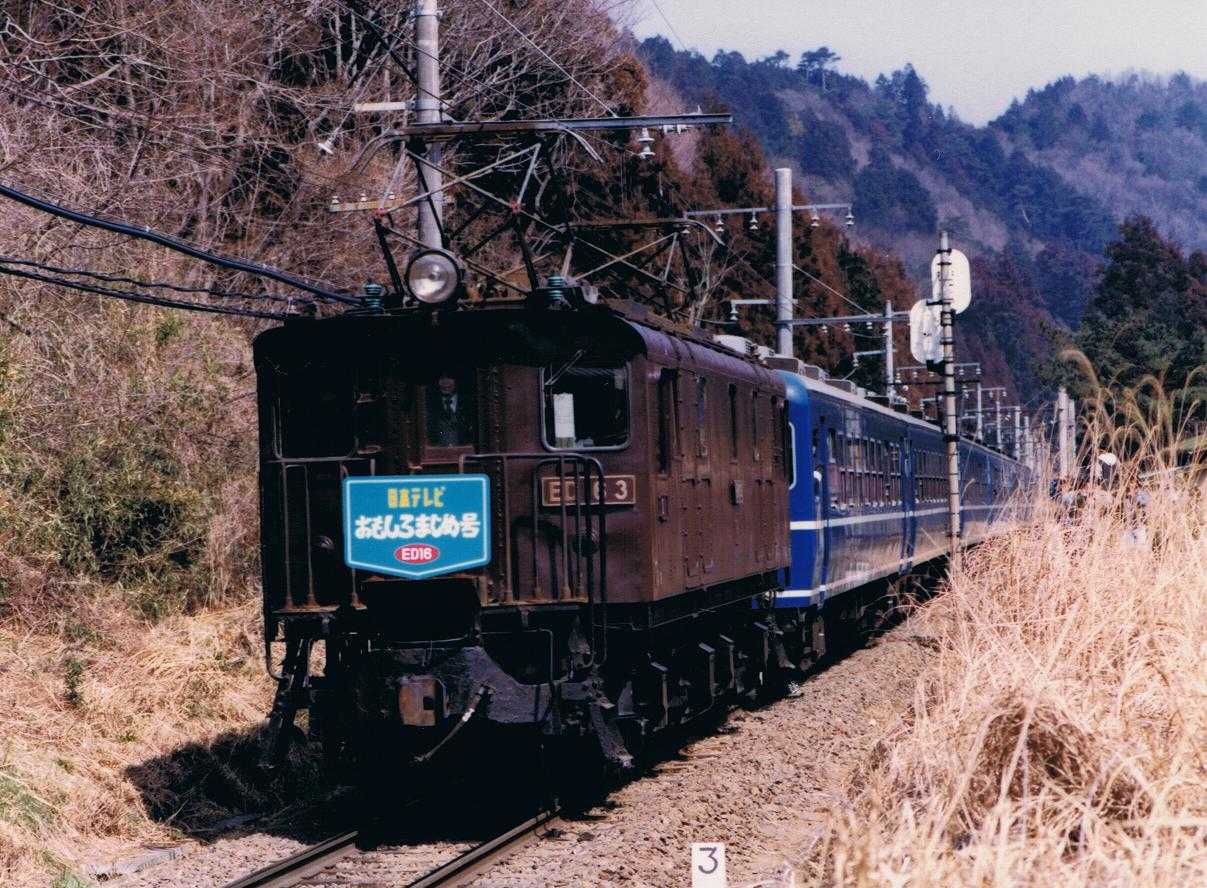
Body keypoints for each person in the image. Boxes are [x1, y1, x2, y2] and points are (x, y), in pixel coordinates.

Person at [426, 374, 474, 446]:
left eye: (449, 378)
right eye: (442, 378)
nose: (445, 382)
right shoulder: (429, 404)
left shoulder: (469, 404)